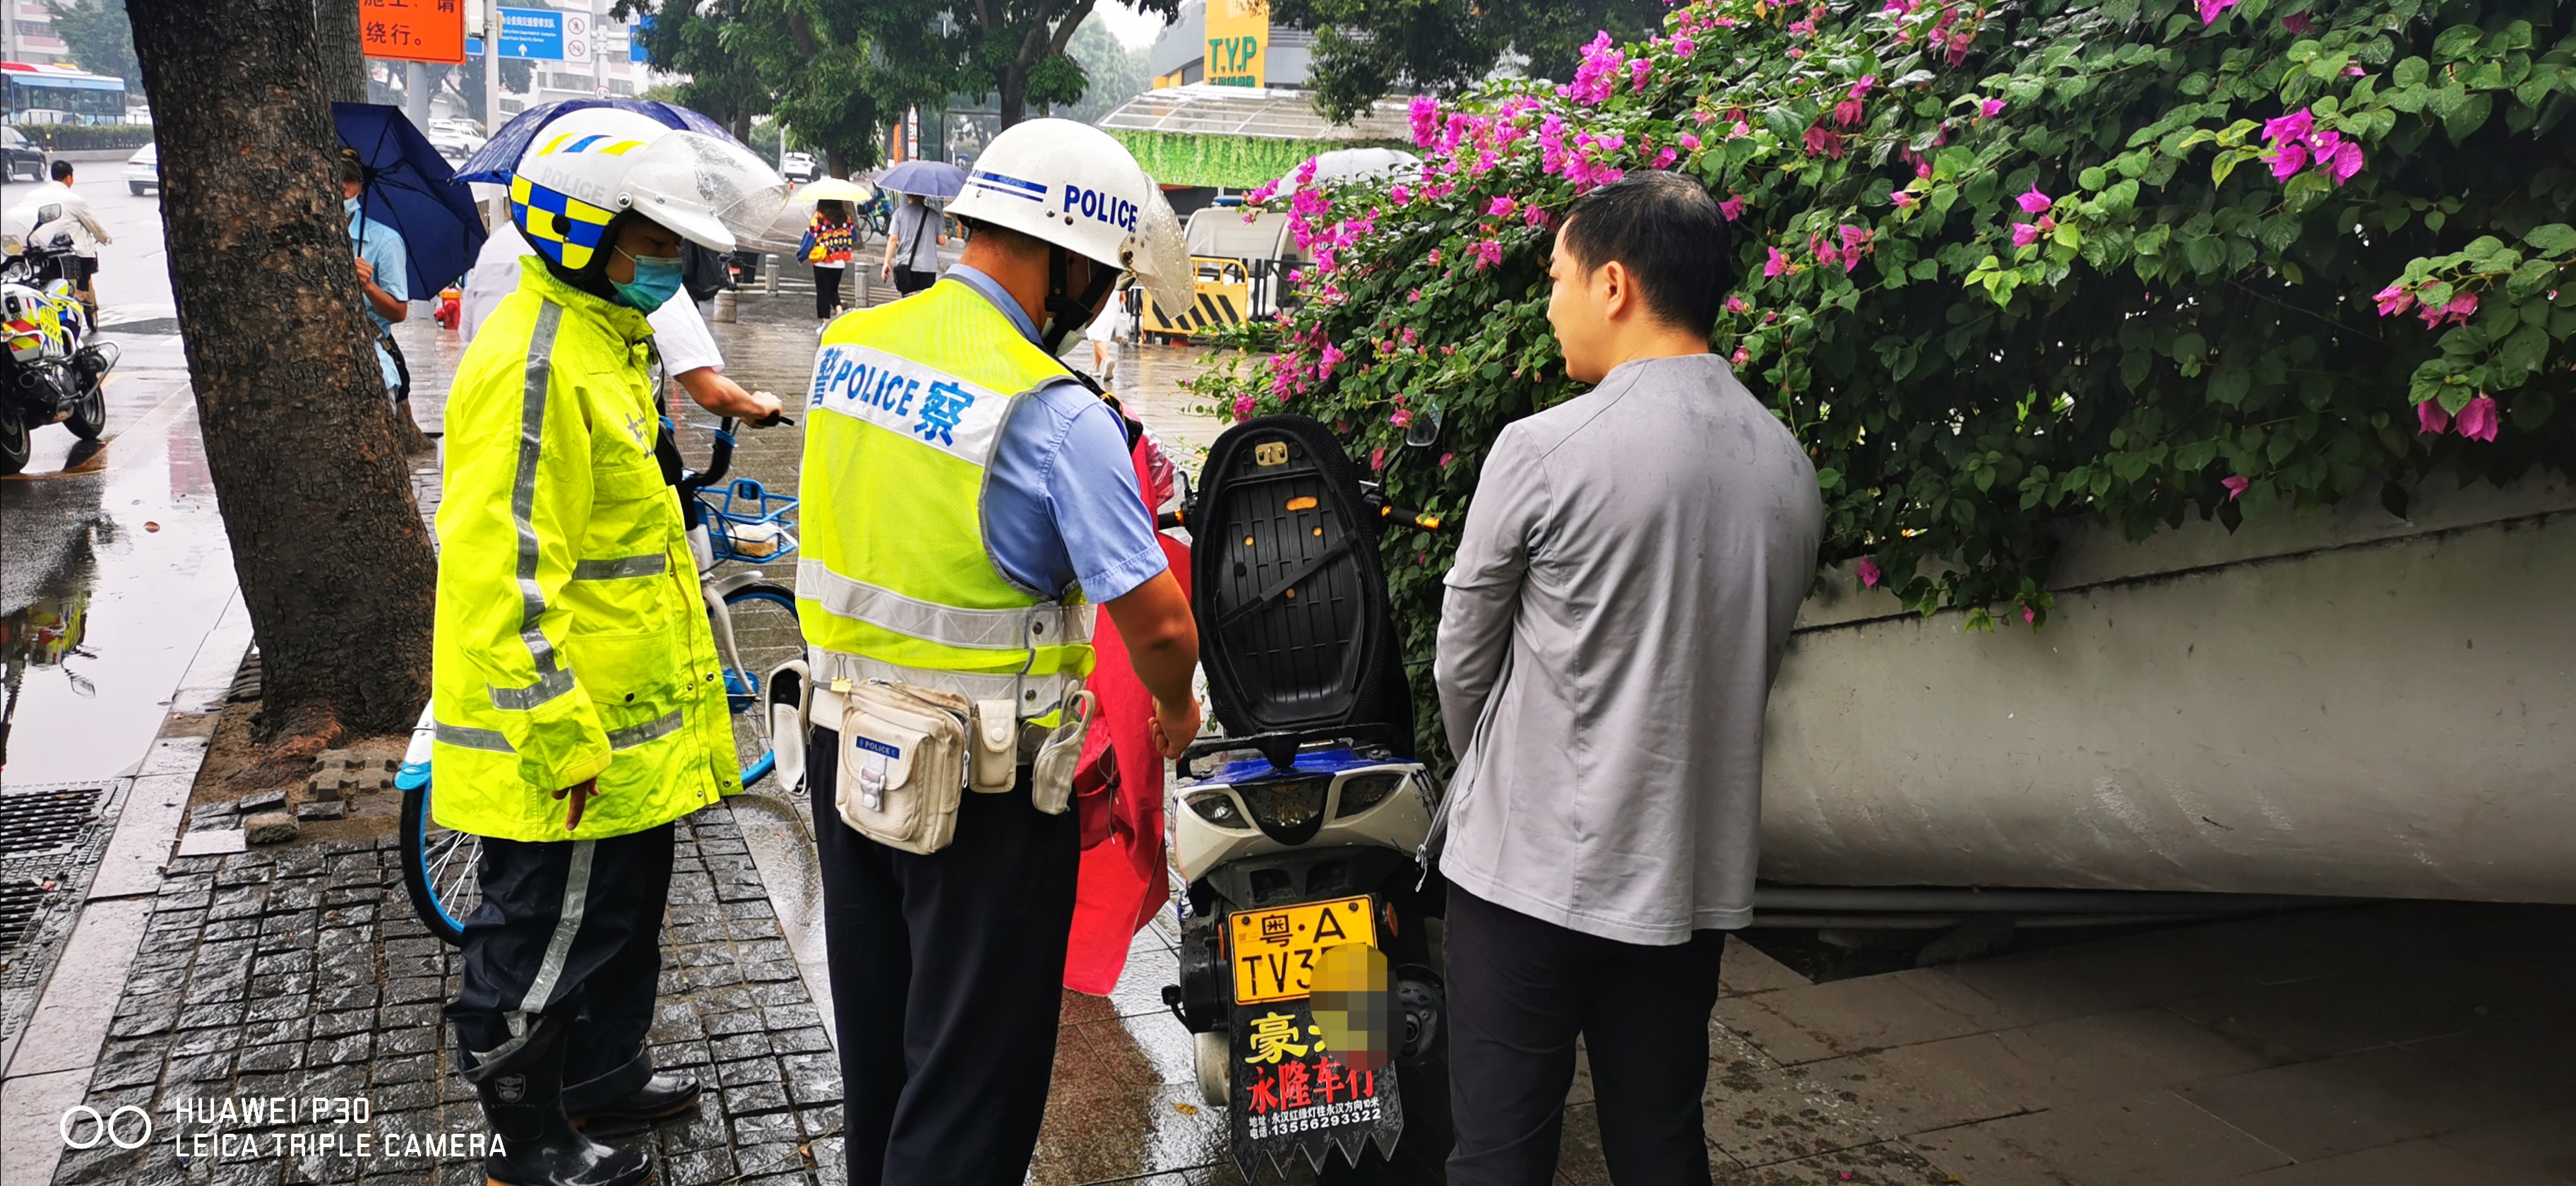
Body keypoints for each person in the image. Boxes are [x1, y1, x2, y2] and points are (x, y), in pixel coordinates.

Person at [796, 117, 1199, 1186]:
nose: (1104, 299)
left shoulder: (849, 352)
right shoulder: (1056, 412)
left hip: (844, 752)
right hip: (985, 787)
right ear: (1066, 259)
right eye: (1106, 276)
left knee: (878, 1044)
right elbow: (1157, 622)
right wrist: (1179, 709)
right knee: (971, 1078)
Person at [1429, 171, 1825, 1185]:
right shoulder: (1787, 465)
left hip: (1525, 880)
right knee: (1659, 1139)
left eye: (1557, 277)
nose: (1550, 302)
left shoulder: (1544, 447)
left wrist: (1494, 775)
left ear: (1614, 284)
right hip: (1685, 880)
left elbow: (1463, 659)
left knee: (1503, 1150)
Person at [429, 107, 788, 1186]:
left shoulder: (606, 341)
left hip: (632, 731)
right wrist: (558, 727)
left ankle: (599, 1075)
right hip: (572, 739)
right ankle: (526, 1140)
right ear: (580, 229)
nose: (672, 263)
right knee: (542, 932)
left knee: (619, 915)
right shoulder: (538, 363)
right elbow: (502, 572)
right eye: (656, 240)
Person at [460, 212, 782, 426]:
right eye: (657, 243)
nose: (671, 260)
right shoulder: (628, 282)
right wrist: (755, 407)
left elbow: (467, 332)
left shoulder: (500, 244)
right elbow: (708, 390)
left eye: (676, 246)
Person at [341, 152, 411, 403]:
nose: (342, 186)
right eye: (334, 176)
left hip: (373, 357)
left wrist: (369, 286)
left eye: (349, 179)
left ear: (360, 187)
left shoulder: (385, 240)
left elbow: (399, 312)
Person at [13, 160, 111, 316]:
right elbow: (92, 224)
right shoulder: (73, 200)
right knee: (85, 257)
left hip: (38, 249)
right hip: (69, 253)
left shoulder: (31, 196)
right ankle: (82, 295)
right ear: (69, 178)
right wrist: (105, 238)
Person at [878, 191, 946, 296]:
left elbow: (893, 239)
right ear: (924, 196)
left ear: (908, 195)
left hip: (906, 266)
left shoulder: (899, 214)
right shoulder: (934, 216)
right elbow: (942, 241)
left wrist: (886, 263)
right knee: (925, 303)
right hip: (928, 267)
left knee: (908, 303)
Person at [803, 198, 856, 319]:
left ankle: (826, 322)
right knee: (833, 290)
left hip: (822, 261)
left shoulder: (819, 218)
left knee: (823, 292)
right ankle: (839, 311)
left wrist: (802, 256)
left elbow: (810, 238)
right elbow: (853, 236)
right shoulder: (846, 218)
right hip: (839, 262)